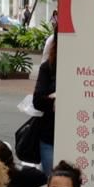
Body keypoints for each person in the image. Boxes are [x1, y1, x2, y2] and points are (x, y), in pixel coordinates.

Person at [32, 36, 59, 171]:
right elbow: (37, 100)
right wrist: (55, 101)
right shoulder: (48, 67)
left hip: (81, 136)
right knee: (51, 177)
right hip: (50, 136)